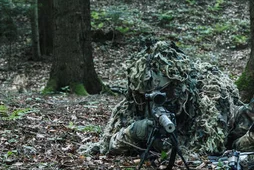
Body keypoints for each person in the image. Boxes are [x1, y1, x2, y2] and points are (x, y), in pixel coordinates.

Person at [81, 40, 241, 158]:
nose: (153, 98)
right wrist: (134, 131)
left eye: (162, 92)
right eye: (145, 94)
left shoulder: (210, 94)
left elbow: (207, 150)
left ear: (177, 86)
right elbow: (108, 145)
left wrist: (160, 143)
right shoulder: (138, 99)